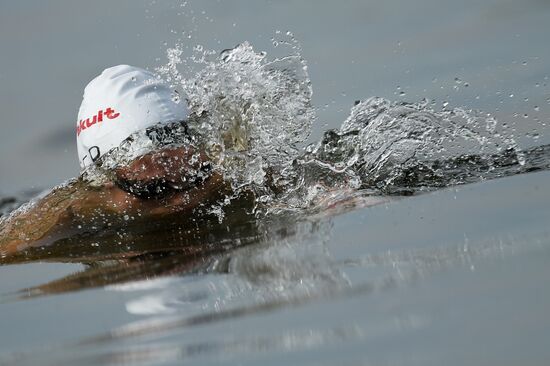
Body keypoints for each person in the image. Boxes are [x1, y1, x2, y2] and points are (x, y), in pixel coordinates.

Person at [0, 65, 235, 260]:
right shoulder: (55, 222)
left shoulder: (235, 177)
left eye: (193, 178)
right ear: (102, 180)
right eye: (154, 189)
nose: (181, 201)